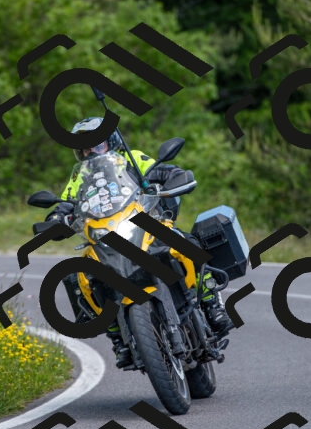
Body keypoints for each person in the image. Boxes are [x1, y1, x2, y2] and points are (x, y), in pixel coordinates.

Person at [45, 116, 235, 368]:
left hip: (145, 223)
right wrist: (55, 218)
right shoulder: (80, 177)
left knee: (183, 242)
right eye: (84, 148)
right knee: (83, 277)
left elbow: (165, 171)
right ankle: (117, 337)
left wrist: (175, 178)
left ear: (111, 141)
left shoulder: (131, 159)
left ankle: (212, 304)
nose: (90, 151)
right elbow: (66, 203)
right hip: (106, 236)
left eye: (96, 144)